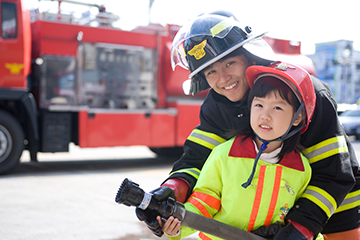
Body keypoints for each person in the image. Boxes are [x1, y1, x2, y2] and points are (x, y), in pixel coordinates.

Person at [136, 12, 360, 240]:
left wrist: (300, 229)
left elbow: (333, 175)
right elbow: (197, 159)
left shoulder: (303, 93)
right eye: (211, 71)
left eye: (229, 63)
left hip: (332, 200)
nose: (222, 79)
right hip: (272, 207)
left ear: (250, 56)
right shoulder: (217, 104)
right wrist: (172, 189)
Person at [158, 62, 323, 240]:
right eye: (258, 105)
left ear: (297, 117)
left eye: (277, 107)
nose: (264, 115)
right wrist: (177, 225)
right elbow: (204, 201)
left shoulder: (301, 169)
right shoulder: (224, 155)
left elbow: (298, 220)